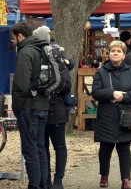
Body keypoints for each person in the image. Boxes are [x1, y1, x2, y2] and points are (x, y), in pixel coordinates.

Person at [92, 40, 131, 189]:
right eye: (113, 51)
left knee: (124, 149)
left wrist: (122, 97)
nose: (115, 53)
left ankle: (126, 179)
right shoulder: (101, 71)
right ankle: (104, 175)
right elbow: (96, 92)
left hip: (126, 115)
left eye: (118, 51)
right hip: (107, 114)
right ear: (109, 53)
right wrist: (111, 93)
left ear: (124, 55)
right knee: (106, 148)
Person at [32, 26, 74, 189]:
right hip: (51, 108)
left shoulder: (58, 56)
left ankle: (56, 180)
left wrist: (43, 89)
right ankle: (49, 179)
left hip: (55, 108)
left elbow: (66, 85)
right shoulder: (41, 56)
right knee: (47, 147)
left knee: (56, 146)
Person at [11, 22, 50, 189]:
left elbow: (21, 83)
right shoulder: (42, 49)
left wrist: (17, 107)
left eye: (13, 38)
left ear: (20, 36)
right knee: (41, 147)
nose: (13, 42)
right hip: (43, 104)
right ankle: (43, 184)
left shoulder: (25, 52)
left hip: (29, 107)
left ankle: (34, 185)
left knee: (30, 149)